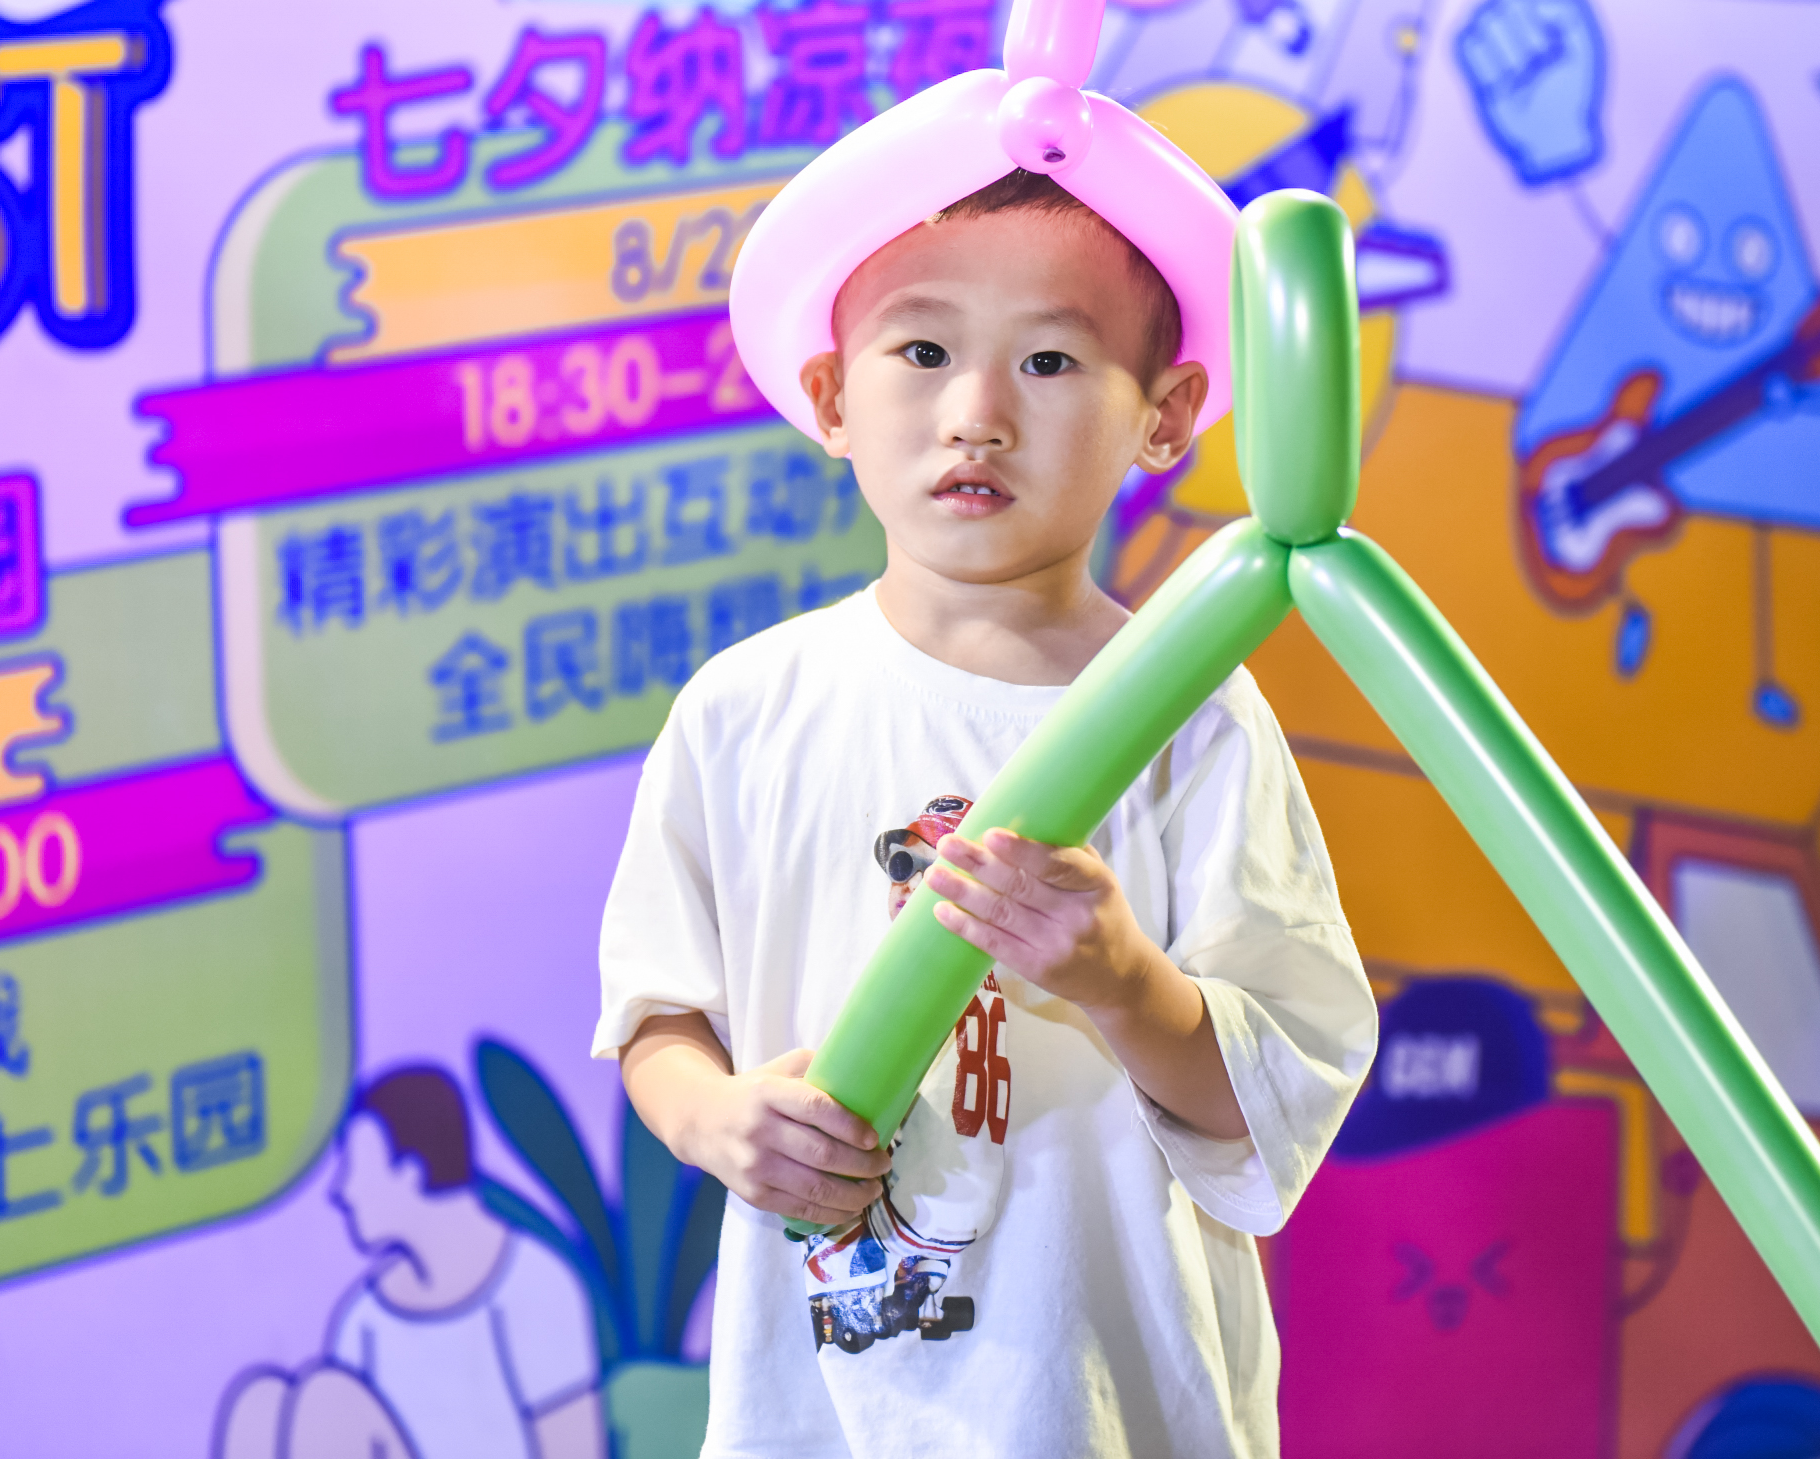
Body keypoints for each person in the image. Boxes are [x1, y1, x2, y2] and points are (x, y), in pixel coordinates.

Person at [592, 162, 1377, 1458]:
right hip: (820, 1412)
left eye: (1051, 362)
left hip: (1105, 1407)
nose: (978, 415)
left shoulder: (1195, 716)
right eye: (922, 351)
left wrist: (1123, 978)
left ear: (1166, 414)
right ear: (832, 397)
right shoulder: (743, 711)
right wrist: (709, 1117)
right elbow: (658, 1017)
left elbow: (1271, 1102)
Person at [214, 1066, 605, 1459]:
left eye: (355, 1166)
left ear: (409, 1171)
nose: (340, 1190)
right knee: (258, 1406)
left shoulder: (532, 1283)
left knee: (326, 1397)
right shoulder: (365, 1315)